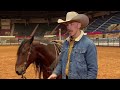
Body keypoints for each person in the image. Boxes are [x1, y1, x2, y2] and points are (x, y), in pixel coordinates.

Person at [48, 11, 98, 79]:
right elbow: (61, 62)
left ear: (79, 25)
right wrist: (55, 73)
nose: (68, 27)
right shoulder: (66, 43)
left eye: (71, 24)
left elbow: (92, 70)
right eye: (67, 25)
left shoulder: (89, 44)